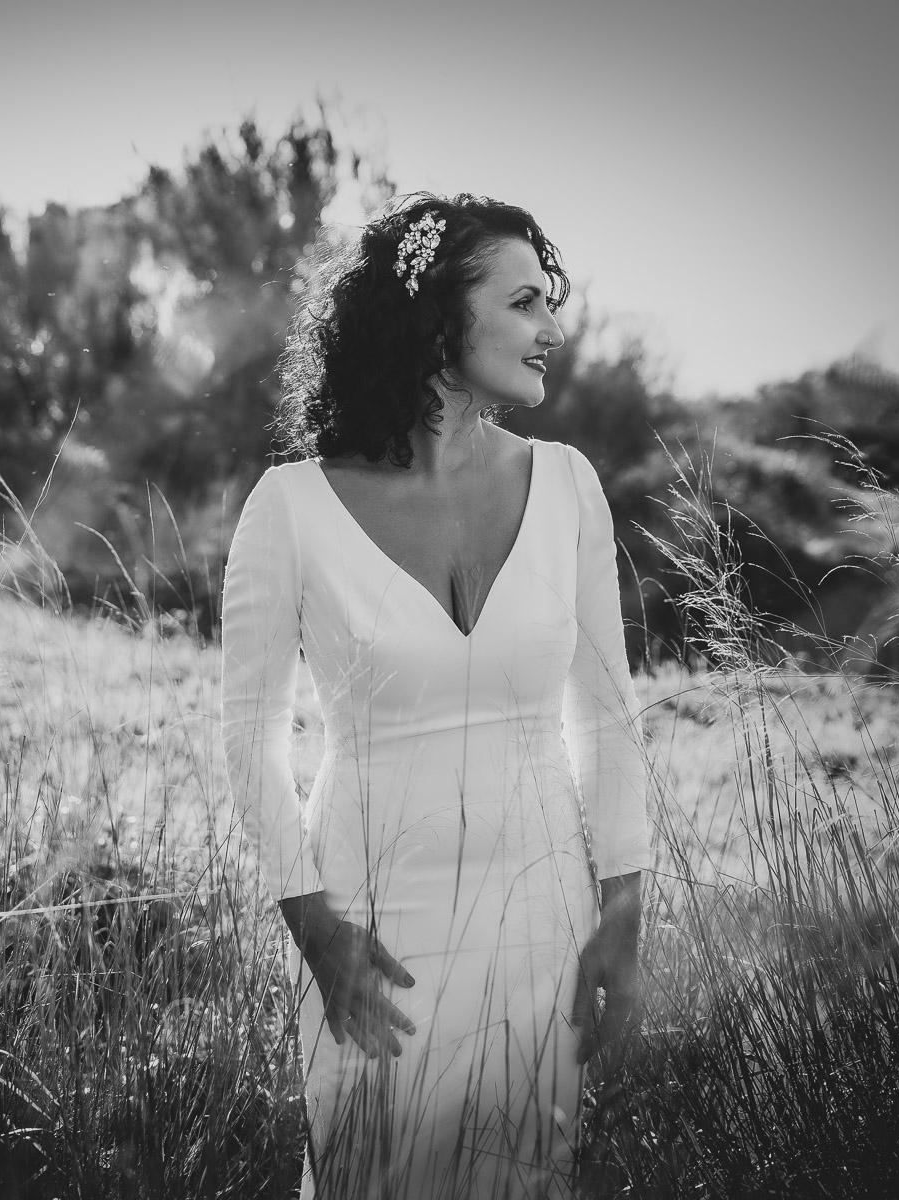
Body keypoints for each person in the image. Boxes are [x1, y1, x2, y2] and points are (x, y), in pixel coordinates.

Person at [220, 194, 651, 1198]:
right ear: (437, 319)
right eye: (523, 303)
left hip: (544, 913)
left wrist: (623, 910)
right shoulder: (291, 508)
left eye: (550, 304)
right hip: (368, 917)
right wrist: (315, 929)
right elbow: (248, 736)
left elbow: (607, 713)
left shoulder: (570, 485)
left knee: (523, 1175)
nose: (551, 330)